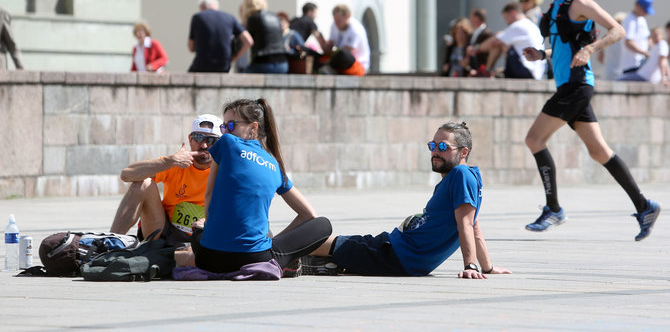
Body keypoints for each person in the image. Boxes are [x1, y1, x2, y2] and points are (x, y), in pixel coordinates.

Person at [522, 0, 661, 241]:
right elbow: (563, 48)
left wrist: (590, 50)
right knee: (598, 151)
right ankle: (645, 207)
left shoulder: (579, 2)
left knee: (534, 139)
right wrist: (542, 54)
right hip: (568, 85)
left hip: (577, 85)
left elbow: (618, 30)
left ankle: (554, 209)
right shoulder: (557, 6)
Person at [304, 122, 511, 278]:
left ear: (464, 151)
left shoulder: (461, 174)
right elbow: (474, 225)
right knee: (345, 247)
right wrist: (488, 267)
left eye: (443, 146)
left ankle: (277, 251)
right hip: (398, 251)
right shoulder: (466, 177)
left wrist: (470, 266)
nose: (435, 151)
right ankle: (314, 260)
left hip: (398, 254)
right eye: (432, 145)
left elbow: (467, 224)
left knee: (330, 243)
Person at [180, 98, 332, 276]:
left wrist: (208, 225)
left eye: (230, 126)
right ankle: (280, 260)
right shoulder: (274, 165)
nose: (225, 132)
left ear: (253, 128)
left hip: (209, 260)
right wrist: (274, 243)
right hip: (256, 257)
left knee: (199, 233)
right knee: (324, 224)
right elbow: (309, 215)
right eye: (223, 127)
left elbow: (209, 195)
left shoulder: (226, 143)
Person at [110, 114, 223, 247]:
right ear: (190, 139)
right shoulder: (176, 163)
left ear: (220, 144)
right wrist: (169, 161)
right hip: (164, 229)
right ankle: (109, 242)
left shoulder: (225, 170)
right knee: (144, 183)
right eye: (198, 137)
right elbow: (126, 175)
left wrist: (209, 221)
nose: (204, 145)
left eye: (211, 140)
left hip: (202, 234)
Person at [469, 2, 545, 79]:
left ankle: (486, 71)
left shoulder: (519, 25)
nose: (506, 21)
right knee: (503, 39)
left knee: (499, 42)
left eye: (506, 18)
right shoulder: (529, 24)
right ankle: (491, 71)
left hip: (528, 71)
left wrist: (476, 49)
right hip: (536, 71)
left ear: (513, 13)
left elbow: (494, 42)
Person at [187, 0, 253, 73]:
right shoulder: (230, 17)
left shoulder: (198, 17)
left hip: (201, 65)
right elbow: (248, 41)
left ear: (202, 7)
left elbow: (191, 48)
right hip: (224, 66)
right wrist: (234, 58)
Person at [240, 0, 289, 74]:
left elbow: (246, 41)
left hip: (263, 63)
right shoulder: (275, 16)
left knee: (240, 79)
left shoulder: (253, 19)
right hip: (283, 64)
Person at [315, 4, 371, 73]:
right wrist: (320, 39)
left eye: (339, 20)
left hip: (357, 65)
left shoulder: (355, 30)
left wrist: (327, 62)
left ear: (347, 16)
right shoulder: (334, 25)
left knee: (343, 54)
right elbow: (328, 49)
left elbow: (346, 54)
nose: (336, 23)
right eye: (335, 21)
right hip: (338, 61)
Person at [619, 0, 655, 76]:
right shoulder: (629, 20)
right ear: (637, 6)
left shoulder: (642, 19)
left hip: (641, 63)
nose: (646, 13)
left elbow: (648, 38)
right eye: (644, 10)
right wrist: (645, 53)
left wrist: (653, 50)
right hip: (631, 65)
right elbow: (628, 42)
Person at [596, 11, 626, 80]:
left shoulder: (606, 38)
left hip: (607, 72)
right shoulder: (627, 40)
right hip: (622, 73)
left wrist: (608, 65)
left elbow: (599, 58)